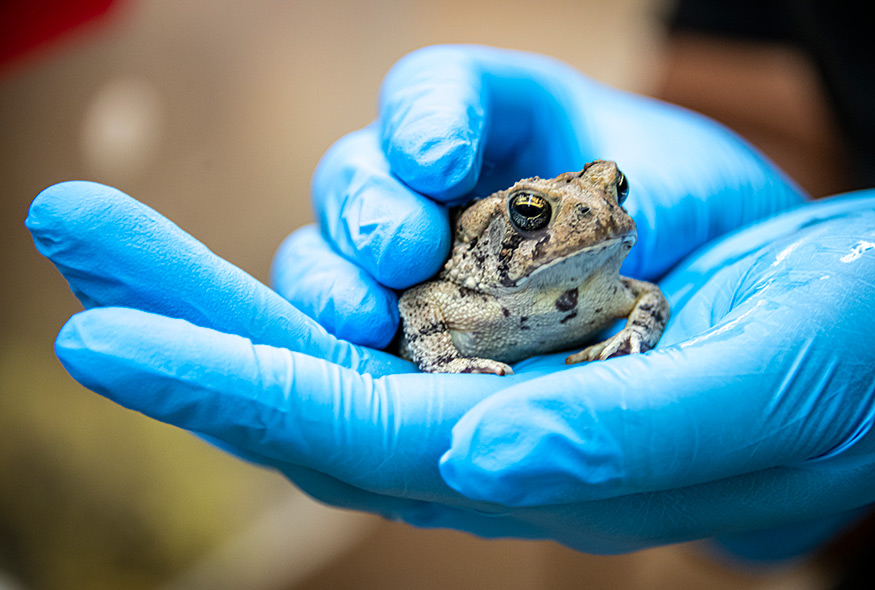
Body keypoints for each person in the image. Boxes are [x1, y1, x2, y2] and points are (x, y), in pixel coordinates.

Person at [27, 44, 875, 562]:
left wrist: (642, 331)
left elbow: (648, 298)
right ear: (506, 229)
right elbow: (419, 319)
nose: (602, 213)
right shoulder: (463, 294)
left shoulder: (614, 278)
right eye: (539, 214)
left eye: (612, 192)